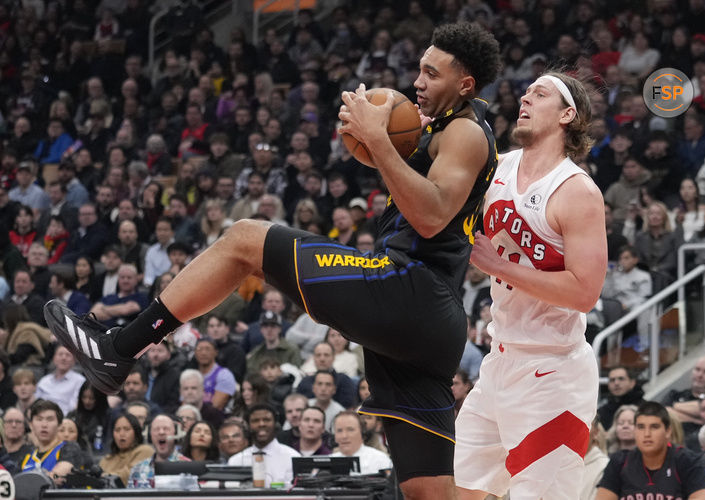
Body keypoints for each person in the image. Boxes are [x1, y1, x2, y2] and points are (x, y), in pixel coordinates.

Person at [45, 21, 501, 498]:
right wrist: (370, 144)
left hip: (409, 291)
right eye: (420, 70)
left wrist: (380, 140)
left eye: (431, 73)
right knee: (433, 494)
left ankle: (119, 350)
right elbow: (421, 198)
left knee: (245, 239)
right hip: (426, 324)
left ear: (464, 84)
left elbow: (429, 216)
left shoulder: (466, 134)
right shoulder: (447, 130)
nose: (418, 82)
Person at [455, 70, 607, 500]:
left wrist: (498, 266)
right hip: (499, 360)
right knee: (457, 491)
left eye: (539, 94)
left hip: (553, 372)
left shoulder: (577, 191)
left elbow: (584, 292)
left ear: (567, 114)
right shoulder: (499, 167)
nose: (524, 98)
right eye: (525, 92)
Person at [595, 401, 705, 500]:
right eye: (641, 427)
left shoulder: (688, 461)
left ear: (668, 431)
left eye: (654, 427)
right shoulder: (619, 462)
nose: (647, 434)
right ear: (635, 431)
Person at [227, 403, 300, 487]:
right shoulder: (236, 461)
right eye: (255, 421)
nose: (261, 424)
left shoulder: (292, 457)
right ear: (248, 426)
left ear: (275, 424)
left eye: (266, 420)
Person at [20, 400, 85, 482]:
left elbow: (59, 476)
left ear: (59, 425)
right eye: (39, 419)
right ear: (31, 425)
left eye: (50, 420)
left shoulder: (69, 447)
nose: (44, 425)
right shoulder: (26, 456)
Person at [128, 414, 190, 488]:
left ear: (175, 433)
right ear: (149, 435)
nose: (161, 432)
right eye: (156, 429)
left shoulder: (188, 467)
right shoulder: (137, 469)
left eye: (166, 429)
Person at [99, 413, 154, 486]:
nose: (121, 434)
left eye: (127, 429)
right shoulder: (106, 459)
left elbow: (132, 475)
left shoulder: (145, 451)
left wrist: (104, 476)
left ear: (136, 432)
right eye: (117, 430)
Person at [330, 410, 392, 474]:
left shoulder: (380, 460)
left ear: (362, 432)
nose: (344, 436)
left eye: (350, 430)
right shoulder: (327, 463)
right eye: (339, 431)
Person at [35, 345, 86, 416]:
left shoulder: (80, 381)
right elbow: (35, 402)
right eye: (60, 354)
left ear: (74, 361)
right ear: (54, 359)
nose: (63, 358)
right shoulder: (44, 381)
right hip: (42, 418)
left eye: (68, 355)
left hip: (65, 420)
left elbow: (75, 406)